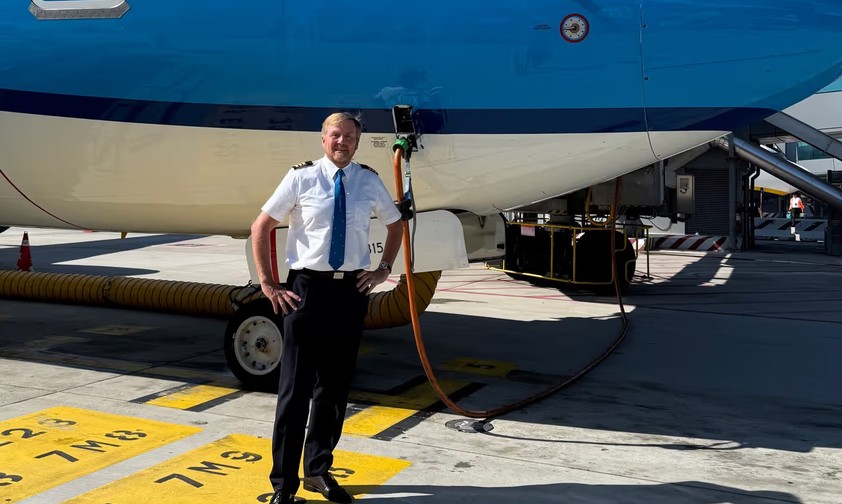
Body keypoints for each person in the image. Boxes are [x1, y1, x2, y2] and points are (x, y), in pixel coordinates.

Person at [251, 112, 403, 504]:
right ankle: (282, 485)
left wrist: (383, 269)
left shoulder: (368, 180)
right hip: (306, 292)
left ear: (357, 142)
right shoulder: (301, 178)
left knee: (334, 391)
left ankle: (317, 470)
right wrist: (268, 284)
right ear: (323, 139)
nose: (342, 142)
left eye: (349, 137)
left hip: (349, 294)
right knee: (295, 391)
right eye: (335, 135)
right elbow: (261, 227)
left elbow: (395, 223)